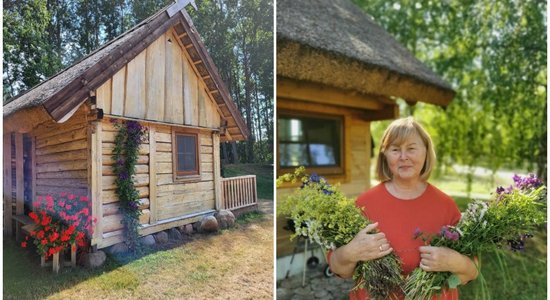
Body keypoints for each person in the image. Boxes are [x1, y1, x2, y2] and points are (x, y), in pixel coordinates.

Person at [328, 117, 478, 299]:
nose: (403, 157)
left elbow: (470, 272)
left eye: (411, 148)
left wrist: (456, 262)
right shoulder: (364, 204)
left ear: (426, 152)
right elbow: (339, 269)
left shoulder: (446, 206)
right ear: (385, 154)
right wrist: (350, 252)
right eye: (395, 149)